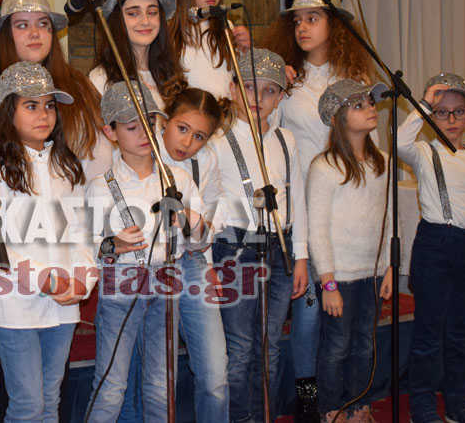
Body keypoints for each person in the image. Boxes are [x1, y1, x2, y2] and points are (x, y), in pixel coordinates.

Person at [261, 0, 374, 418]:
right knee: (308, 316)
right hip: (303, 213)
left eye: (313, 18)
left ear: (335, 25)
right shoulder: (288, 82)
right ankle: (310, 402)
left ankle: (347, 400)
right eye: (298, 21)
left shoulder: (355, 81)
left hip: (347, 214)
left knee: (349, 322)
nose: (303, 28)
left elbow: (367, 150)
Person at [0, 61, 95, 423]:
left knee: (50, 399)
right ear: (8, 111)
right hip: (16, 305)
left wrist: (84, 278)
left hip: (63, 303)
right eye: (31, 105)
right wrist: (43, 278)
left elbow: (81, 233)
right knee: (28, 405)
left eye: (49, 105)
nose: (43, 114)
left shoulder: (66, 168)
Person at [86, 81, 203, 422]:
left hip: (166, 283)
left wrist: (189, 219)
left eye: (149, 123)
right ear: (110, 132)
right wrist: (114, 244)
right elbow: (87, 248)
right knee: (111, 385)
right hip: (121, 285)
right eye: (130, 126)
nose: (143, 133)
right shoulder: (100, 186)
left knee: (161, 384)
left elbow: (202, 241)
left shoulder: (178, 179)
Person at [209, 48, 308, 421]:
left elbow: (297, 199)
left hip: (280, 248)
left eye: (270, 91)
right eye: (250, 87)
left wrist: (301, 256)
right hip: (236, 249)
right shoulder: (218, 141)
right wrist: (210, 261)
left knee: (270, 345)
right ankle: (241, 417)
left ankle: (264, 414)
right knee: (240, 347)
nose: (259, 98)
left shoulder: (286, 139)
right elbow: (210, 201)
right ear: (234, 89)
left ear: (280, 97)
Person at [398, 74, 465, 423]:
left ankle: (458, 403)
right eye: (442, 112)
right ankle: (422, 406)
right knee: (429, 331)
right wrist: (424, 103)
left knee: (459, 331)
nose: (451, 119)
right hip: (435, 246)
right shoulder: (424, 153)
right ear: (432, 117)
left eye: (459, 112)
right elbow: (399, 141)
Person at [0, 0, 109, 180]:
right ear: (7, 34)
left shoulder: (77, 86)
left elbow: (99, 157)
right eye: (22, 25)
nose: (35, 33)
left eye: (43, 24)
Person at [307, 80, 393, 423]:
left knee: (365, 345)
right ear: (338, 118)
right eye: (359, 105)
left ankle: (359, 404)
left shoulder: (382, 162)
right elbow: (317, 230)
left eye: (370, 103)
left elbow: (389, 219)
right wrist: (328, 282)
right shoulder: (324, 166)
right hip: (338, 276)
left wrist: (389, 267)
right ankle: (330, 406)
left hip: (372, 273)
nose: (371, 108)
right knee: (336, 346)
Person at [159, 81, 231, 422]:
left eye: (199, 136)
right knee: (157, 377)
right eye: (182, 129)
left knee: (216, 374)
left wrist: (209, 264)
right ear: (165, 121)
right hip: (151, 265)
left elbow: (209, 218)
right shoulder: (143, 150)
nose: (187, 143)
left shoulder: (207, 160)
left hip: (193, 261)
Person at [88, 0, 181, 109]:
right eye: (133, 13)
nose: (145, 21)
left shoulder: (171, 74)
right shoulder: (101, 78)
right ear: (117, 20)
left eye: (152, 12)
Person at [165, 0, 250, 100]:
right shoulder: (169, 33)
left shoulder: (226, 27)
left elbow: (238, 77)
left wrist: (245, 50)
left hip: (226, 109)